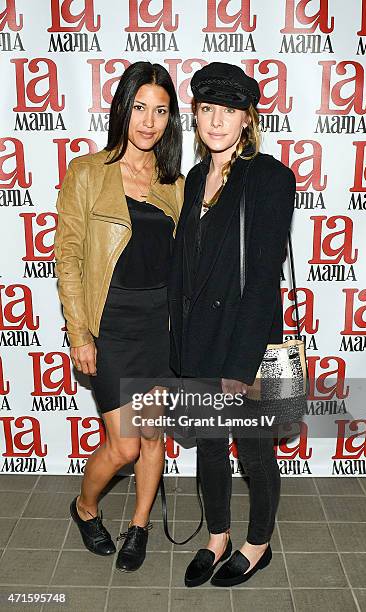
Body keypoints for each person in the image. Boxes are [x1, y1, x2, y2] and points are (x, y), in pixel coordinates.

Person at [167, 62, 296, 587]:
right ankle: (216, 536)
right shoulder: (195, 178)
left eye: (230, 111)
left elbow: (263, 281)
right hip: (199, 341)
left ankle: (257, 543)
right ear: (196, 116)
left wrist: (241, 368)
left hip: (244, 345)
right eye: (207, 110)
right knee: (212, 445)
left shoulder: (270, 177)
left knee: (255, 452)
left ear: (247, 119)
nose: (217, 121)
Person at [54, 61, 184, 572]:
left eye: (160, 111)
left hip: (160, 325)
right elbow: (68, 257)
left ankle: (139, 525)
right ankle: (85, 508)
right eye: (139, 108)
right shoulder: (88, 173)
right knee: (124, 446)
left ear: (170, 119)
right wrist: (79, 333)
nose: (149, 121)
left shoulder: (173, 181)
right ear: (122, 109)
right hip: (111, 325)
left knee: (152, 436)